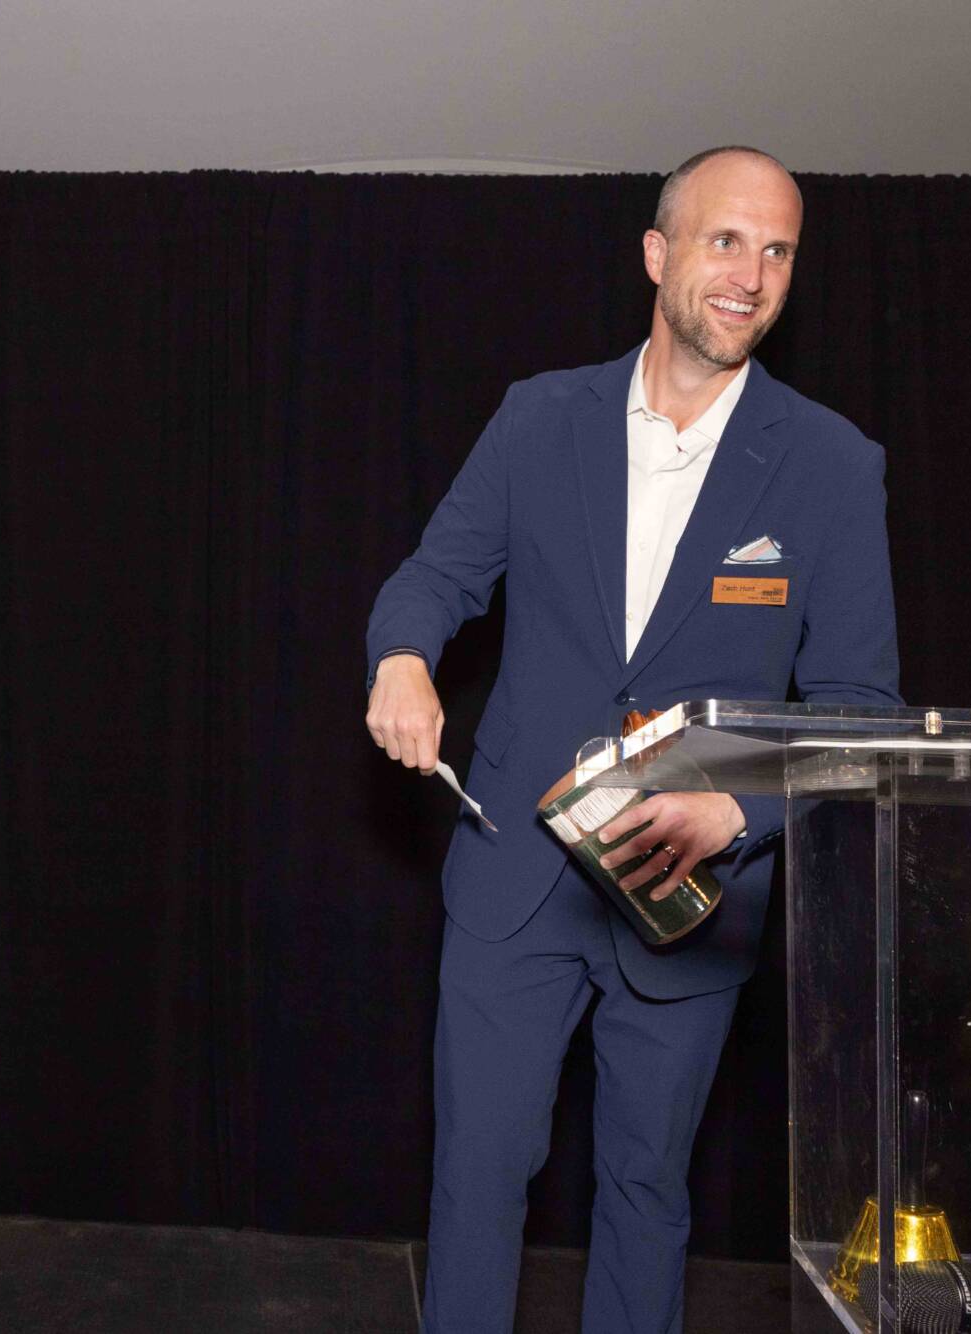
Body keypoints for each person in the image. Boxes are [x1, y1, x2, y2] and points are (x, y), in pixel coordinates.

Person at [364, 146, 900, 1333]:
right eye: (724, 240)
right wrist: (400, 655)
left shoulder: (829, 463)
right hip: (512, 870)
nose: (749, 274)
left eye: (776, 250)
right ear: (657, 255)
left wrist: (739, 812)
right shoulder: (537, 415)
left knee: (646, 1188)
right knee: (473, 1179)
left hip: (690, 892)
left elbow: (858, 706)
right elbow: (434, 576)